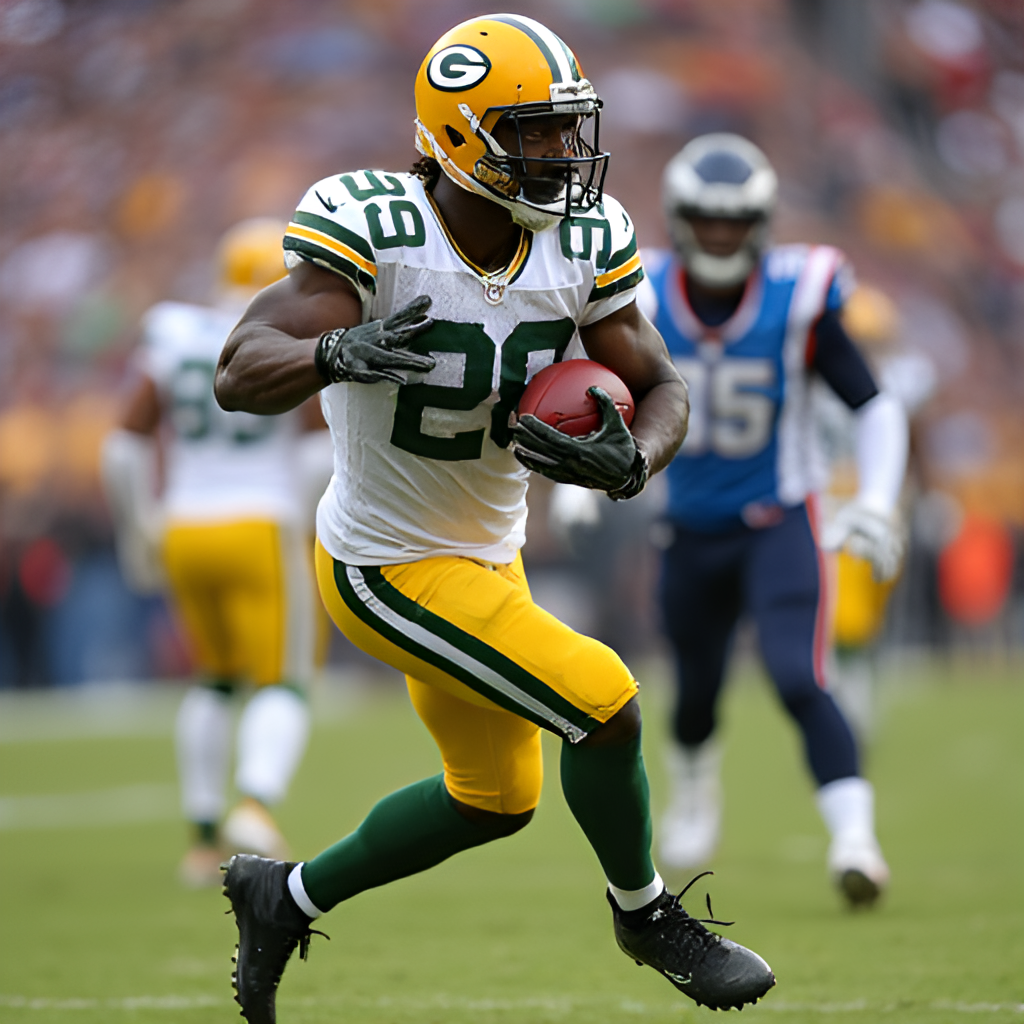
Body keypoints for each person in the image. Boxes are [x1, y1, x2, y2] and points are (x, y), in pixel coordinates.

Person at [213, 15, 775, 1023]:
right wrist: (329, 355)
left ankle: (282, 894)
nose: (564, 153)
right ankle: (646, 916)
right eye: (537, 131)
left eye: (569, 128)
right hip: (384, 564)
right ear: (461, 137)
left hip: (487, 557)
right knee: (605, 700)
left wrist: (634, 456)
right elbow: (238, 368)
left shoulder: (580, 242)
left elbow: (662, 384)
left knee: (494, 797)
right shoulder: (376, 229)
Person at [637, 134, 908, 908]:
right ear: (682, 220)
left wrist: (877, 499)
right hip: (686, 526)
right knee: (695, 692)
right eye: (706, 219)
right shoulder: (647, 293)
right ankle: (696, 796)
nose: (720, 235)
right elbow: (606, 392)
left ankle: (856, 840)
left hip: (777, 520)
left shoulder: (800, 293)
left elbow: (874, 404)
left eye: (734, 220)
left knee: (799, 676)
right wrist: (587, 484)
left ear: (759, 222)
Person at [102, 218, 332, 887]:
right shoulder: (287, 336)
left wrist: (137, 524)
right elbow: (318, 451)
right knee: (284, 679)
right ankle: (255, 804)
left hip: (184, 527)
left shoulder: (176, 335)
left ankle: (201, 842)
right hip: (263, 523)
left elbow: (122, 446)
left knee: (213, 679)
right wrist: (307, 521)